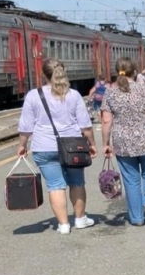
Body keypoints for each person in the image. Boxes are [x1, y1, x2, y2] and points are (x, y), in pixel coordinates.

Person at [16, 58, 98, 234]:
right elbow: (85, 125)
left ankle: (63, 225)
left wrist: (22, 146)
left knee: (55, 185)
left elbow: (26, 127)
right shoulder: (74, 95)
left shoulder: (33, 95)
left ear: (43, 74)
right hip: (73, 146)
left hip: (44, 147)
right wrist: (92, 144)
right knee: (77, 182)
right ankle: (80, 219)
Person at [101, 56, 145, 226]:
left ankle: (137, 218)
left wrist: (105, 143)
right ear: (134, 72)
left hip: (122, 142)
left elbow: (106, 121)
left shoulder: (110, 92)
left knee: (131, 180)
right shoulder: (144, 89)